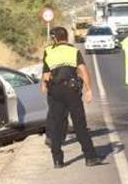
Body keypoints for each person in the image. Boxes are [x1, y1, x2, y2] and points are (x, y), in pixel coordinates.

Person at [41, 26, 103, 169]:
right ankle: (90, 157)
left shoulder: (48, 51)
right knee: (79, 124)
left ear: (55, 38)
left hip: (55, 91)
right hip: (71, 90)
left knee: (57, 125)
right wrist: (88, 89)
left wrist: (46, 89)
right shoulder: (73, 51)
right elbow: (83, 70)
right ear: (66, 37)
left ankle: (57, 160)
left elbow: (46, 75)